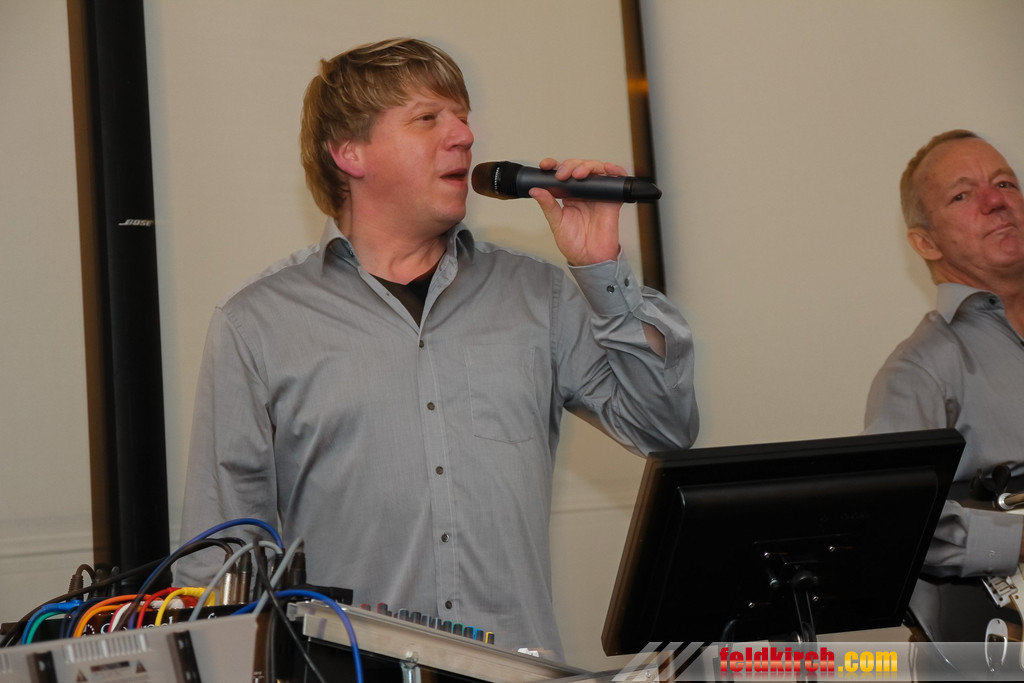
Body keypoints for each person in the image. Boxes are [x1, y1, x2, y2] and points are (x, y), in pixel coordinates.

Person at [174, 37, 698, 659]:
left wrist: (601, 268)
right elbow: (217, 563)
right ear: (349, 152)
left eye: (463, 118)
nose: (464, 136)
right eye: (428, 118)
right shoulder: (257, 322)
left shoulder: (540, 295)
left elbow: (664, 429)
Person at [864, 129, 1024, 632]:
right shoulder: (918, 370)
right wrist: (1017, 541)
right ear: (925, 242)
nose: (996, 201)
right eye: (962, 196)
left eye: (1005, 183)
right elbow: (895, 522)